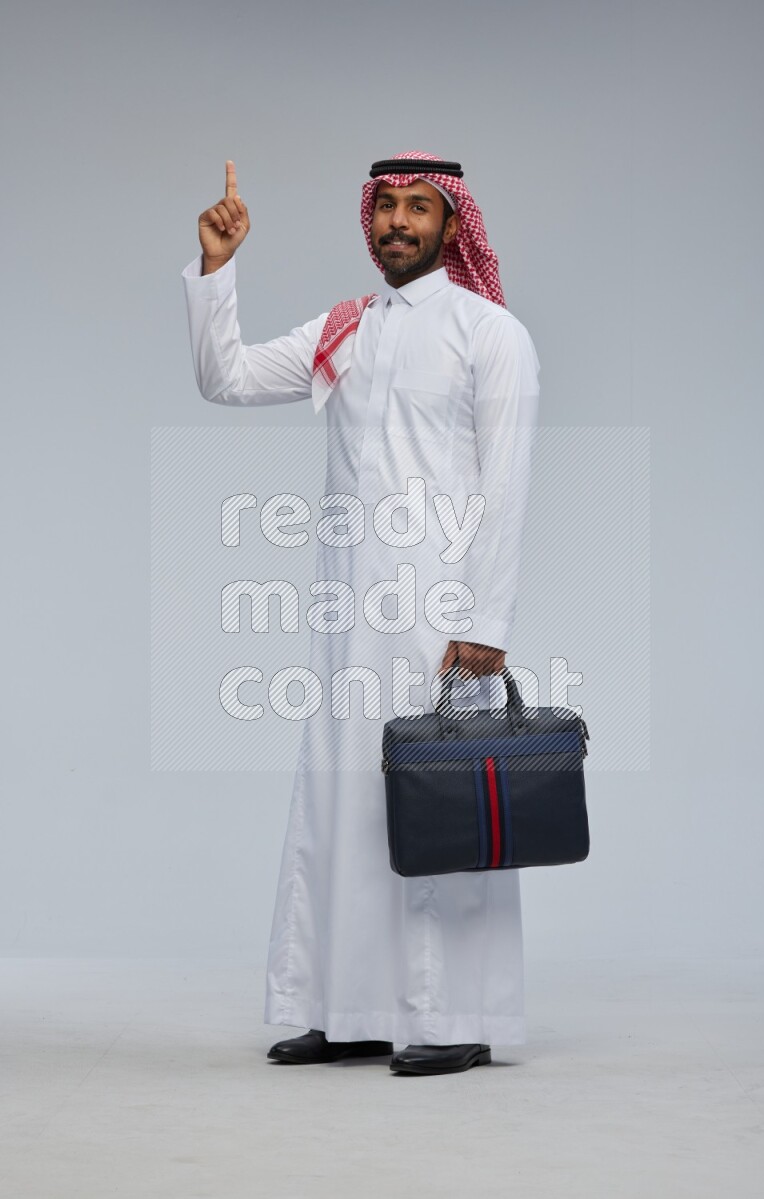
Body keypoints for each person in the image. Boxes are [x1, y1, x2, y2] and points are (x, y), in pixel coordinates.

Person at [181, 151, 541, 1075]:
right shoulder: (345, 328)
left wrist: (487, 624)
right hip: (347, 614)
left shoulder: (489, 332)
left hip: (441, 620)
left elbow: (506, 487)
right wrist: (219, 270)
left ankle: (453, 1015)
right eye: (385, 207)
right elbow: (225, 378)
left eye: (419, 208)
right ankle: (345, 1008)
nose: (398, 223)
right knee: (341, 803)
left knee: (437, 806)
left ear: (453, 225)